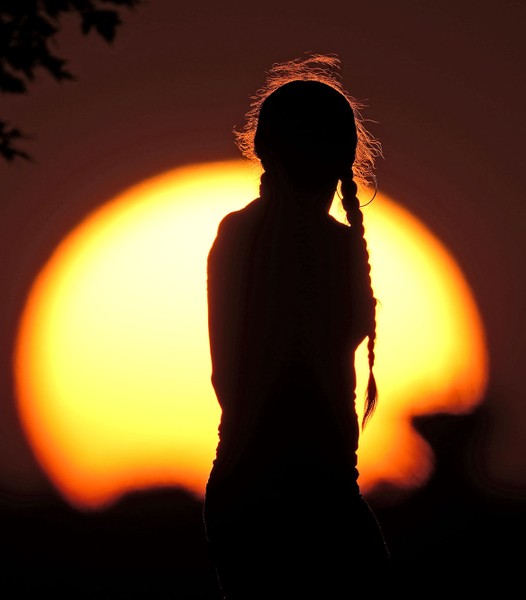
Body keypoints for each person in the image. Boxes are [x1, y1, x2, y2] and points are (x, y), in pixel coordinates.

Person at [204, 55, 391, 599]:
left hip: (286, 487)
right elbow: (240, 380)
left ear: (263, 149)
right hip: (288, 489)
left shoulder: (322, 244)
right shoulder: (253, 238)